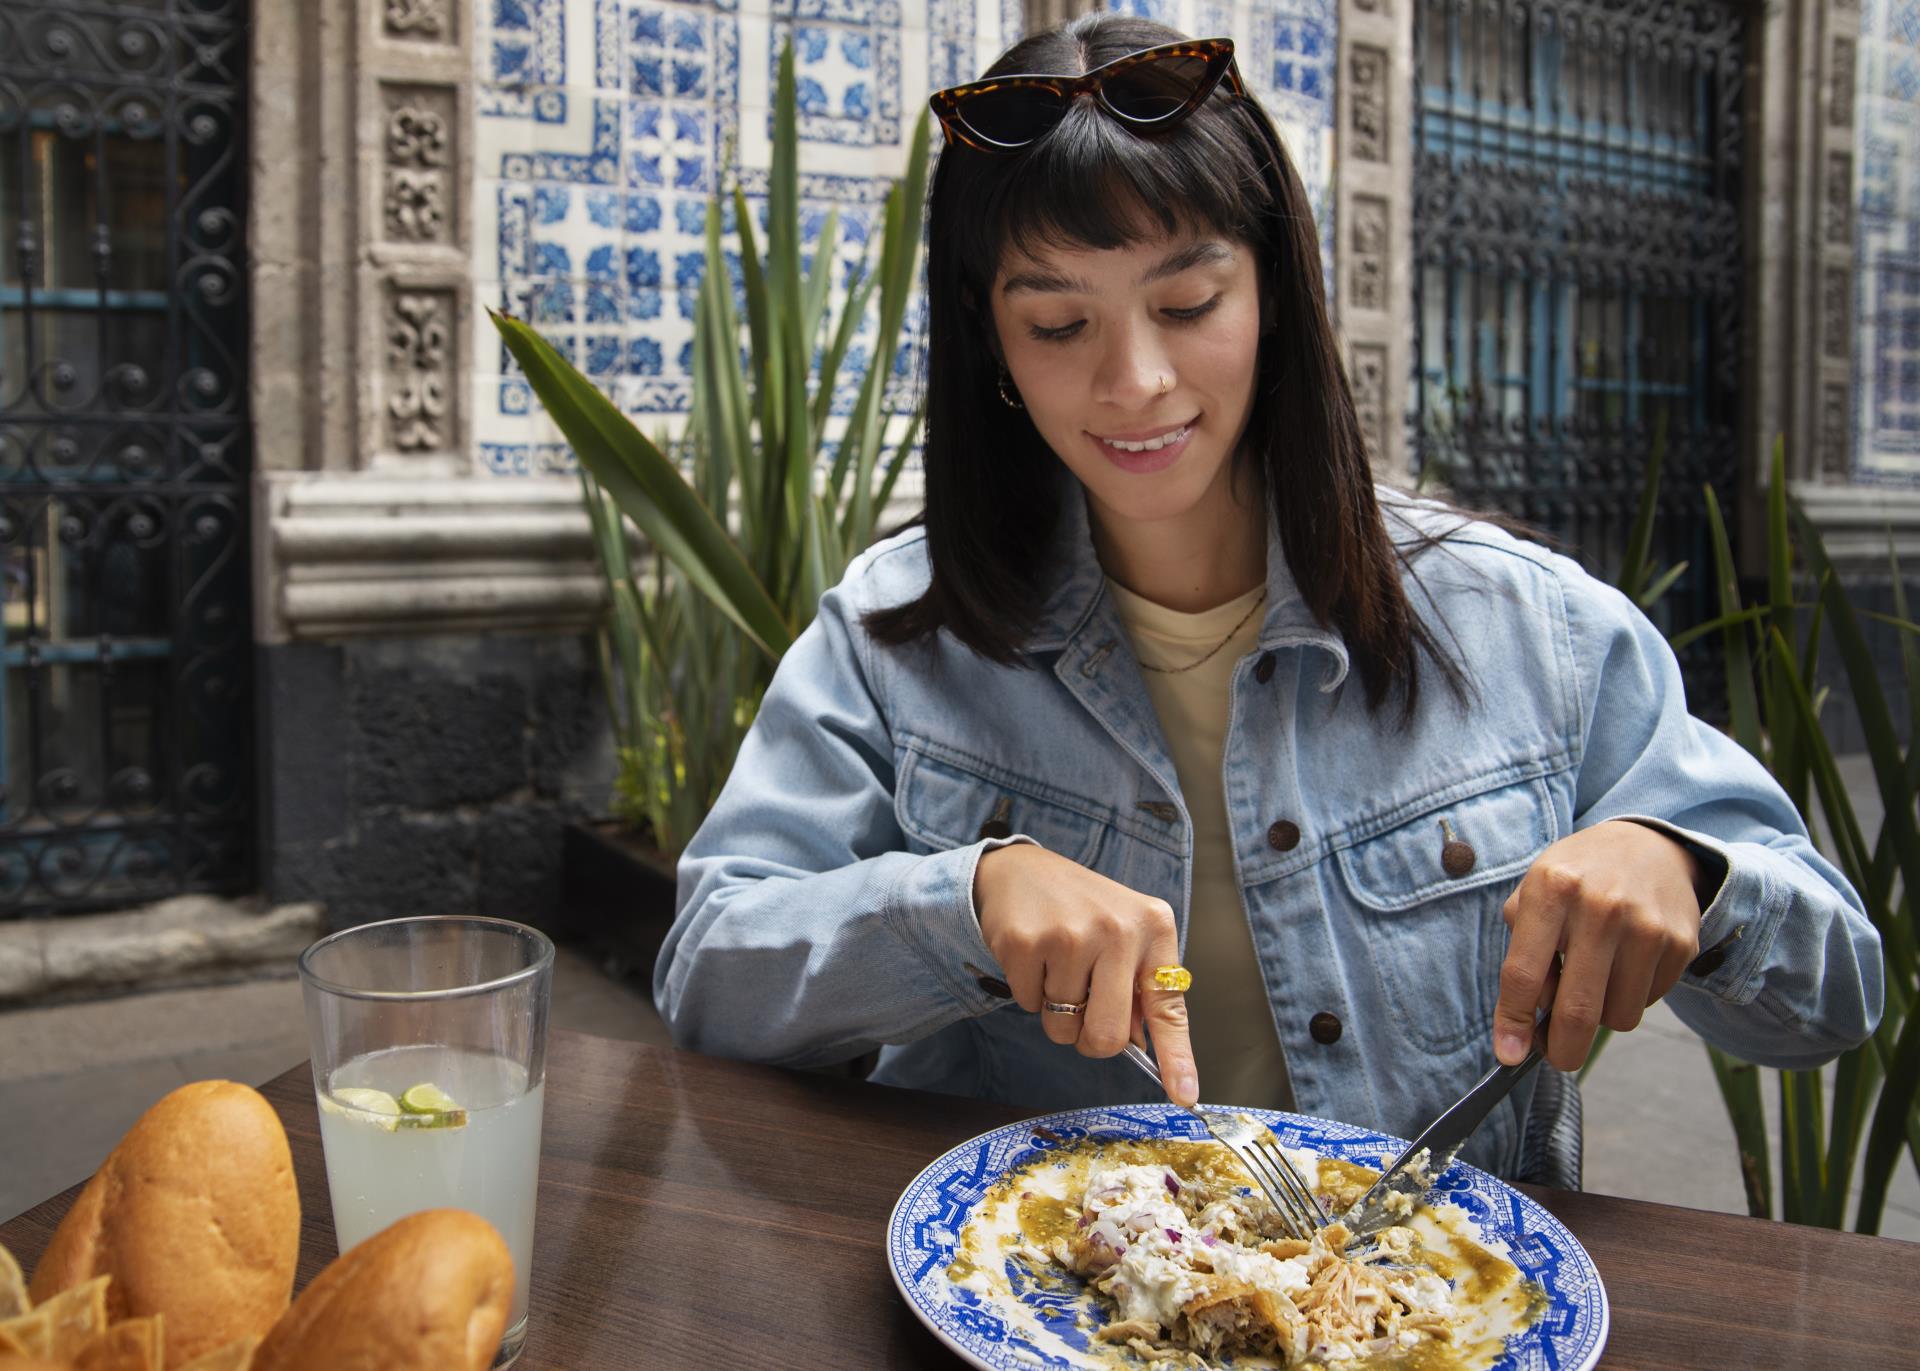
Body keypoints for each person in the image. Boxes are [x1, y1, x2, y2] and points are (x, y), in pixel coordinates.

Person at [654, 13, 1883, 1181]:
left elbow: (1834, 998)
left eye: (1188, 305)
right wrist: (961, 901)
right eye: (1059, 323)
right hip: (1041, 1299)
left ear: (1275, 294)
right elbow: (711, 973)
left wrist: (1688, 871)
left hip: (1427, 1309)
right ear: (994, 351)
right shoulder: (896, 633)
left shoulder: (1524, 626)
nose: (1134, 381)